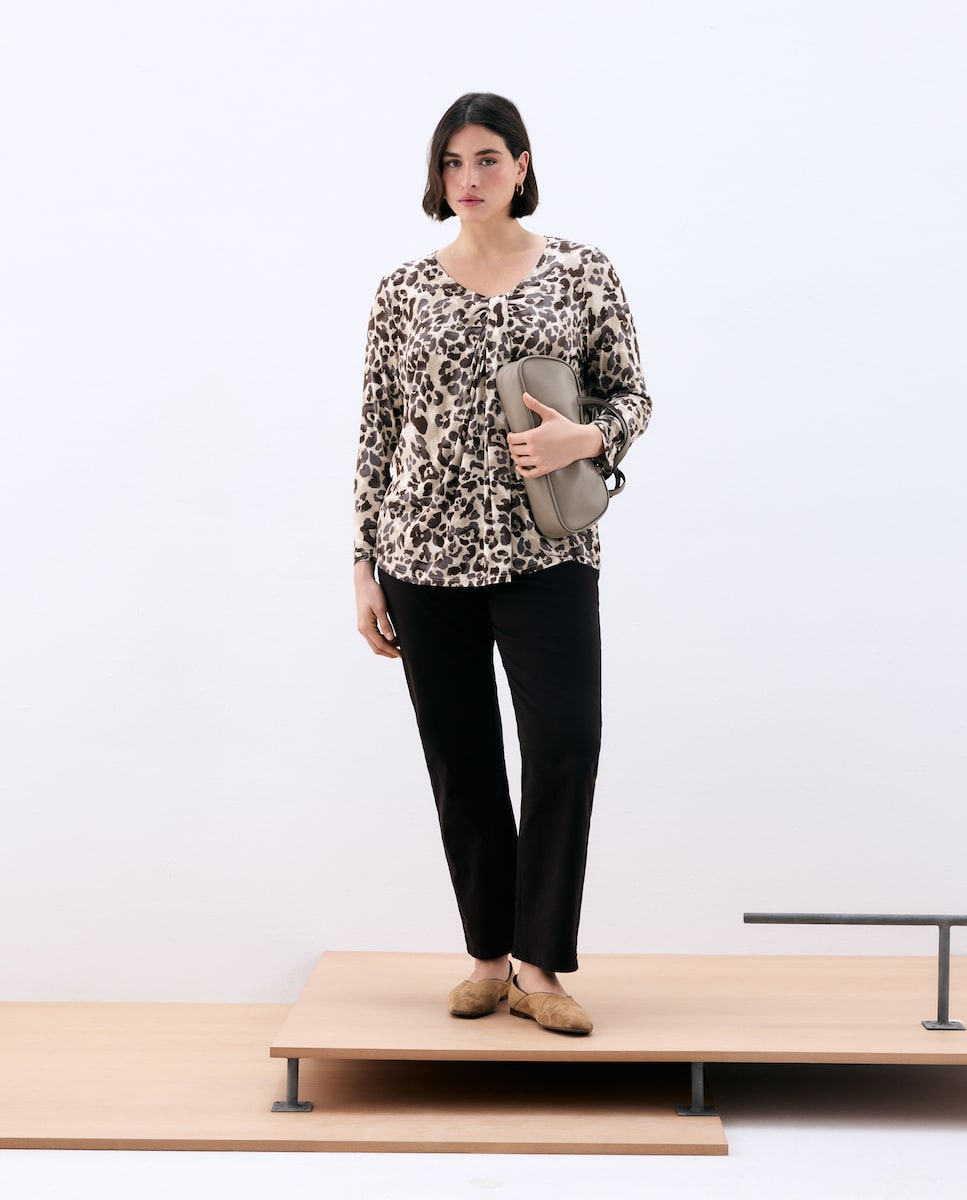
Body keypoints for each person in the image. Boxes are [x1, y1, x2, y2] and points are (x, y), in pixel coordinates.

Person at [353, 93, 650, 1035]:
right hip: (423, 555)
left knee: (565, 743)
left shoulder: (581, 271)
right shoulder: (402, 290)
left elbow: (632, 395)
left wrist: (584, 438)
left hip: (547, 551)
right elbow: (377, 430)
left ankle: (539, 965)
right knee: (462, 758)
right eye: (452, 163)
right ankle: (487, 959)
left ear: (522, 165)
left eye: (486, 159)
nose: (468, 178)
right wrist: (363, 564)